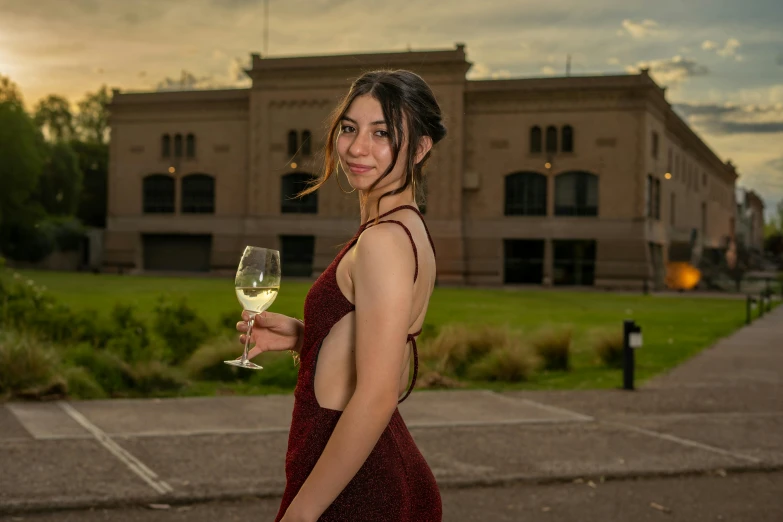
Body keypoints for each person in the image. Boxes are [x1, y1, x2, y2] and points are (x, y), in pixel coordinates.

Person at [237, 69, 446, 522]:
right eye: (349, 128)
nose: (355, 147)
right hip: (374, 474)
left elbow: (377, 395)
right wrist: (303, 336)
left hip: (358, 490)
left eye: (382, 133)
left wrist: (301, 514)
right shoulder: (405, 227)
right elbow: (379, 344)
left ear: (421, 148)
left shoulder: (384, 241)